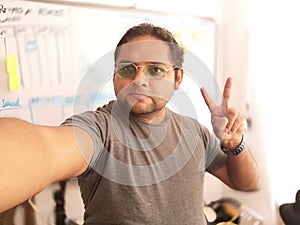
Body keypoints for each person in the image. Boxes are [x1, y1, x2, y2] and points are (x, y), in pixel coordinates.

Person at [0, 23, 260, 224]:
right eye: (127, 69)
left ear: (177, 77)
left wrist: (236, 145)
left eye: (155, 70)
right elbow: (41, 149)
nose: (139, 79)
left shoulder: (195, 131)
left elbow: (247, 183)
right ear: (115, 76)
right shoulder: (99, 130)